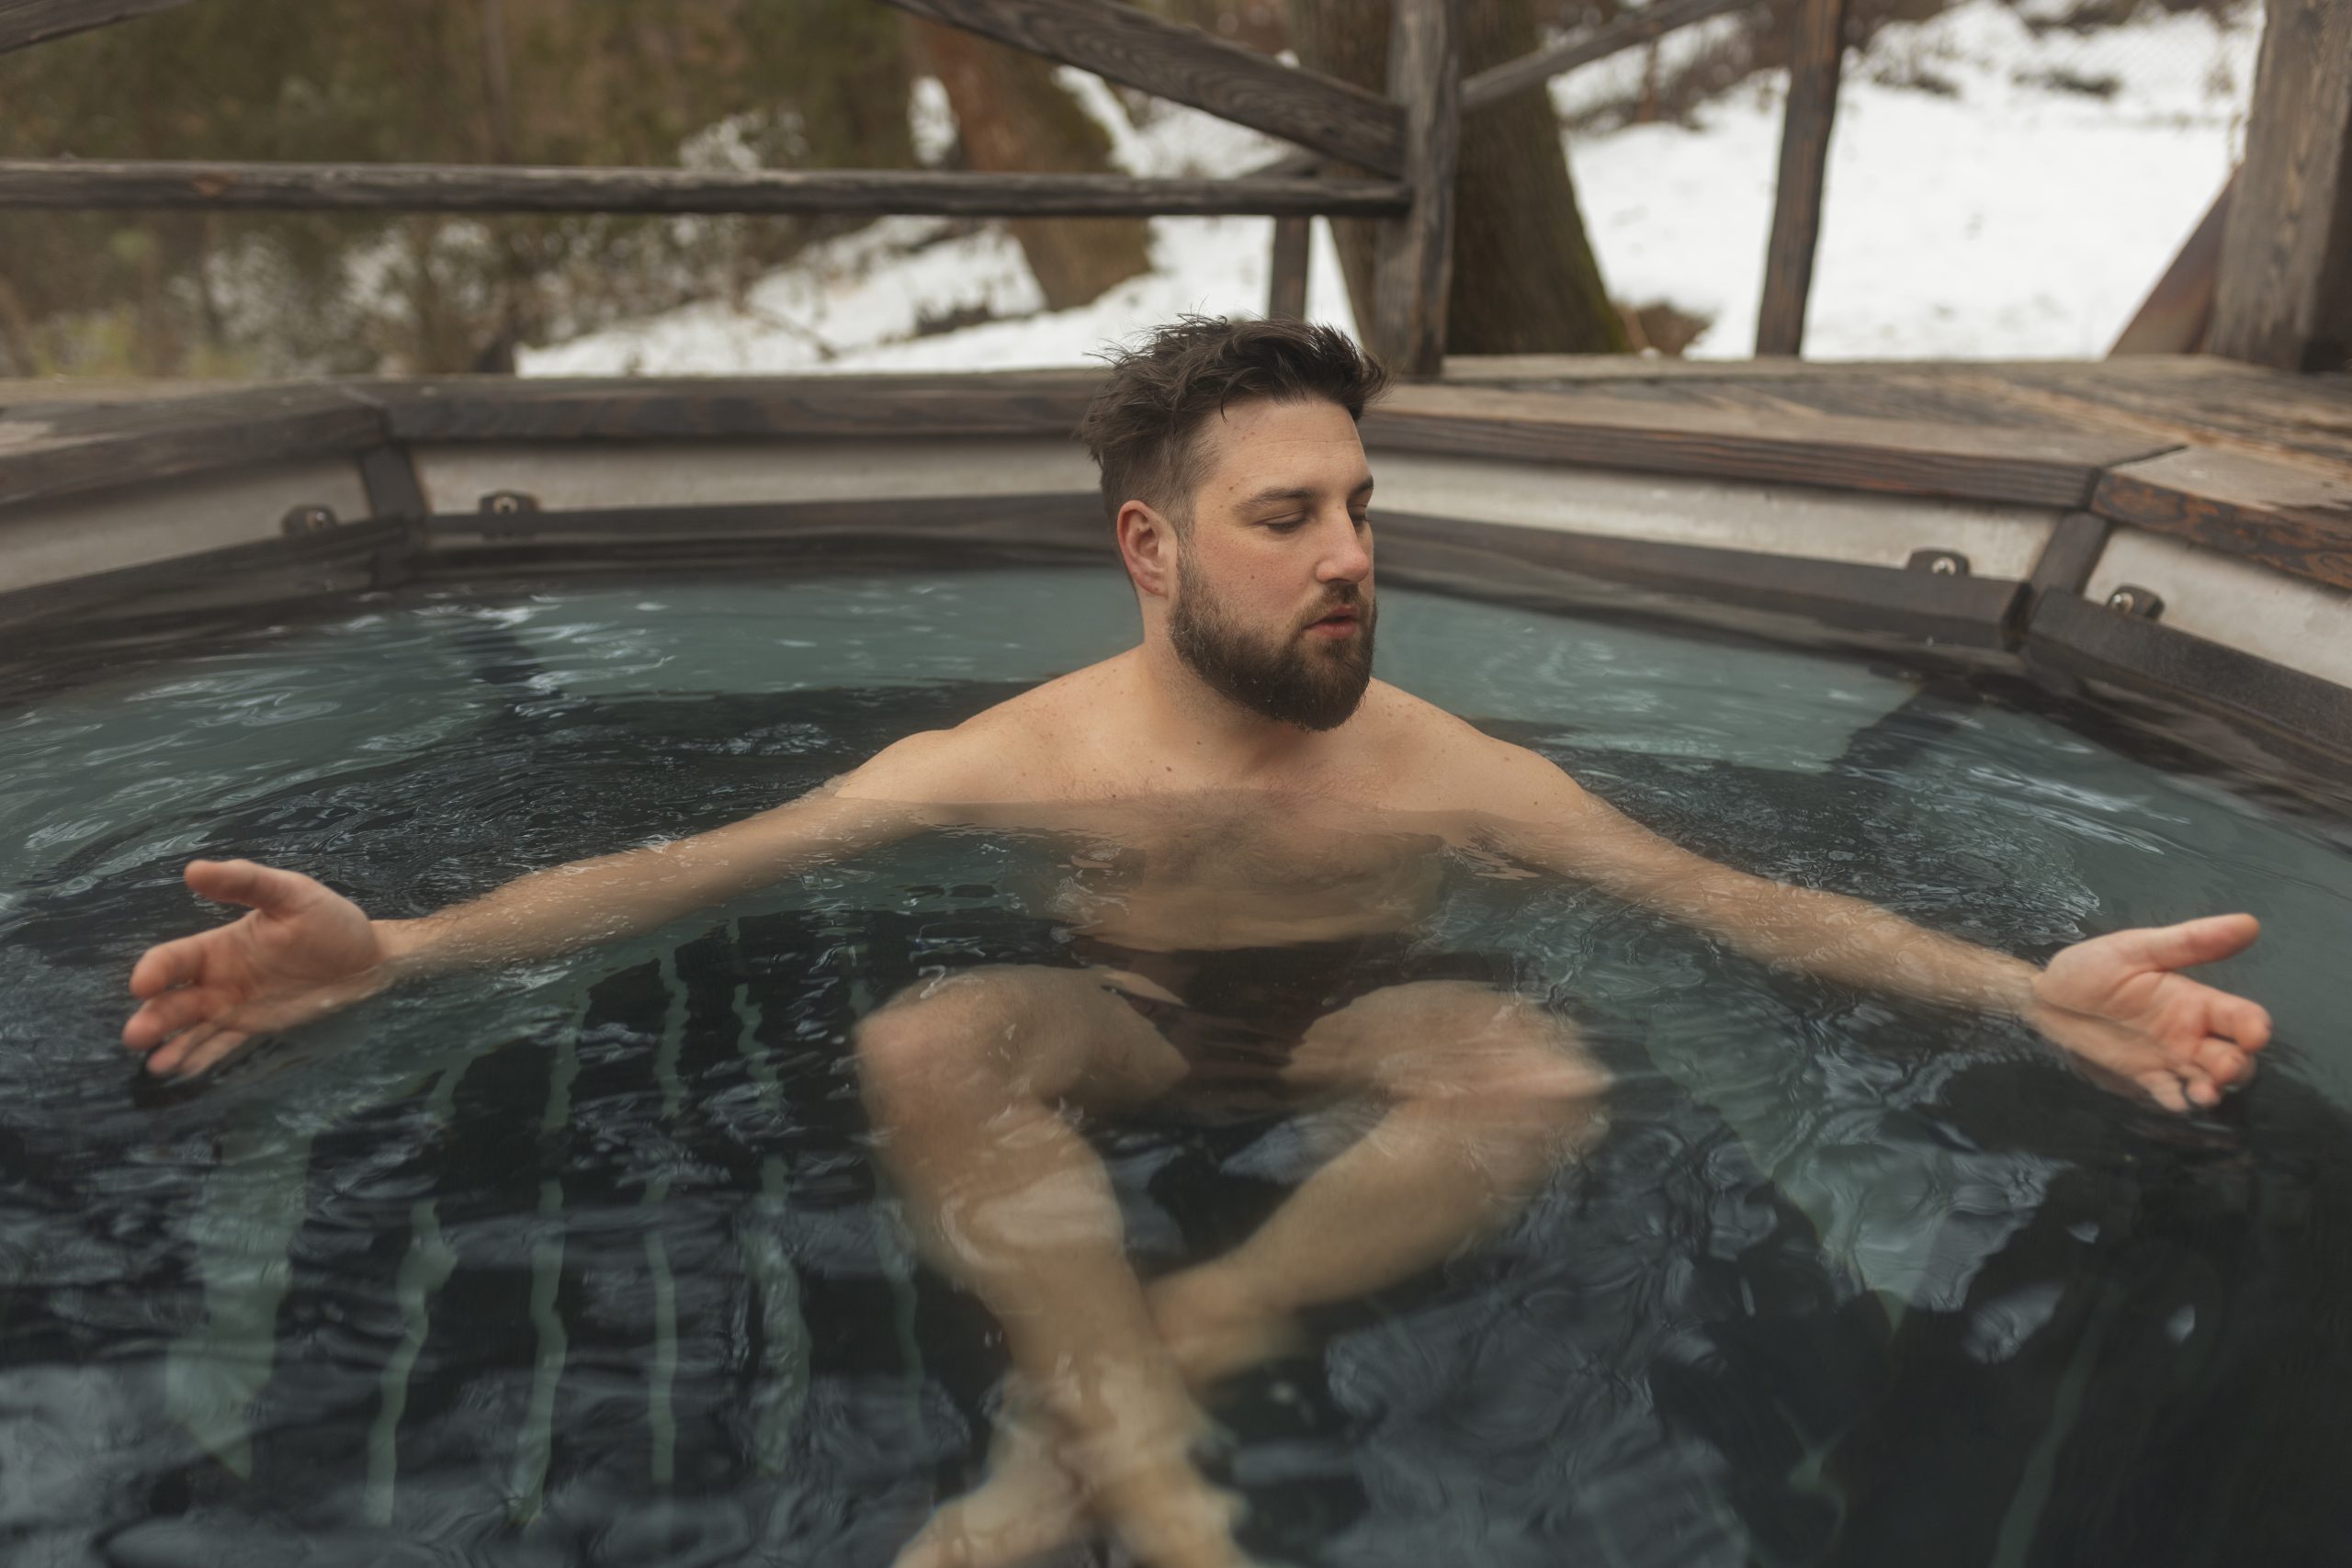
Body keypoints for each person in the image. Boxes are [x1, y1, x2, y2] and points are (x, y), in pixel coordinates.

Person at [120, 317, 2272, 1568]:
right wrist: (397, 952)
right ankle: (1148, 1469)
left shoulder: (1446, 771)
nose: (1350, 560)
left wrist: (2015, 987)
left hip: (1367, 1017)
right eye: (1287, 520)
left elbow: (1739, 906)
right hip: (1132, 1019)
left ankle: (1100, 1423)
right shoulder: (1018, 758)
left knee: (1532, 1064)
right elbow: (699, 858)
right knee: (932, 1035)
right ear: (1148, 547)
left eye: (1361, 510)